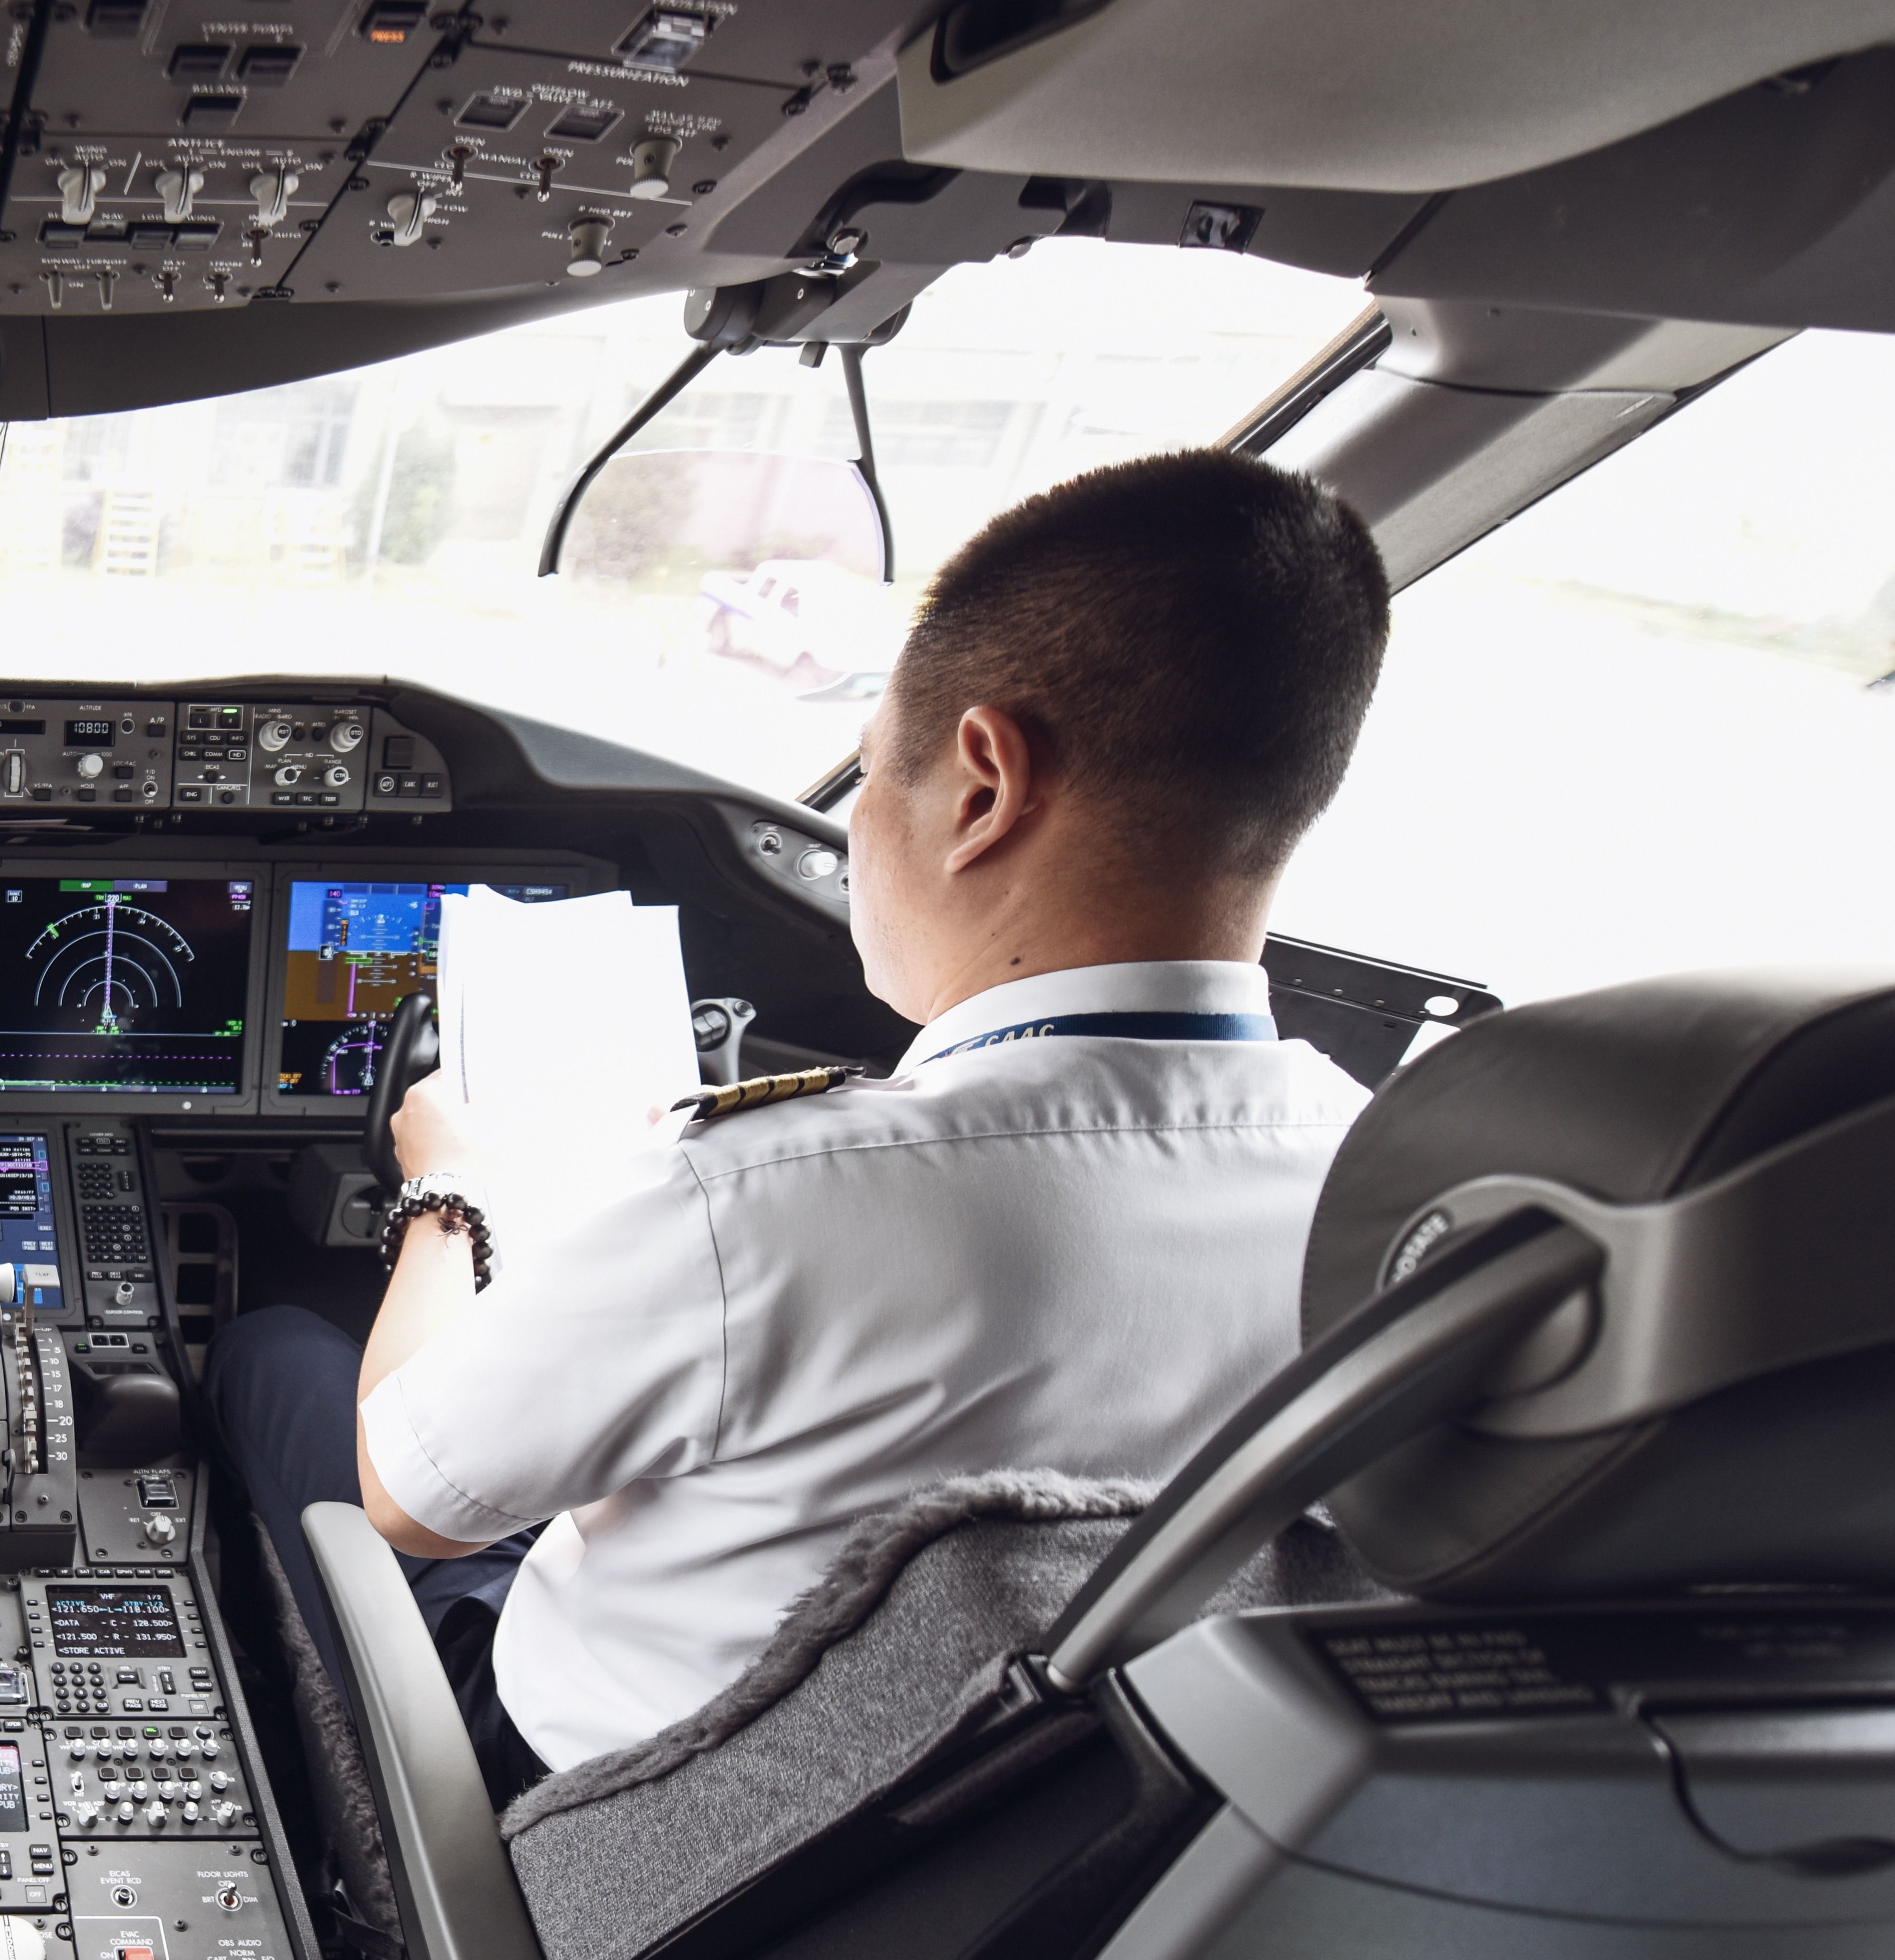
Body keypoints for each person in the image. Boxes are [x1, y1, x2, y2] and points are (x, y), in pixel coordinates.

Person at [209, 449, 1393, 1798]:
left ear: (987, 783)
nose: (858, 822)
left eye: (876, 773)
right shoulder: (1394, 1195)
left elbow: (403, 1497)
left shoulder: (773, 1193)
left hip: (612, 1815)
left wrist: (454, 1189)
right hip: (1007, 1837)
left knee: (272, 1348)